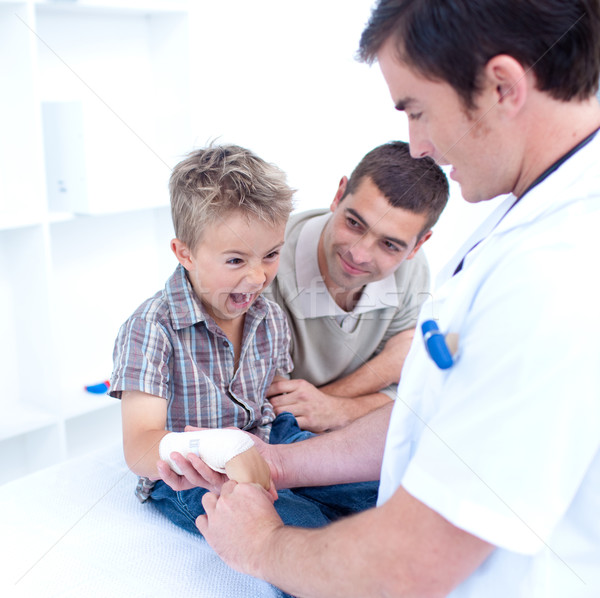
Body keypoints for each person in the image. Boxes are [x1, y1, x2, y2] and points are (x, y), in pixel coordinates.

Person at [164, 2, 600, 596]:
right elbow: (443, 416)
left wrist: (263, 545)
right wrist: (277, 461)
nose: (418, 147)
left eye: (417, 111)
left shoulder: (555, 271)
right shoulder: (527, 216)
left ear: (502, 86)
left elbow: (412, 563)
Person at [110, 144, 379, 537]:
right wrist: (224, 454)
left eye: (271, 255)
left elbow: (272, 401)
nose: (257, 278)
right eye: (235, 260)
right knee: (301, 535)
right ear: (184, 253)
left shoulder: (268, 316)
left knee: (382, 495)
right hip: (193, 475)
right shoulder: (151, 328)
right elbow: (139, 447)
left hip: (268, 441)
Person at [265, 141, 449, 435]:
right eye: (354, 223)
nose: (359, 254)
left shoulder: (411, 269)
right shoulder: (263, 262)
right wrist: (389, 366)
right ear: (338, 195)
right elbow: (279, 412)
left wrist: (339, 409)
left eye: (389, 244)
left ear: (418, 244)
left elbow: (416, 392)